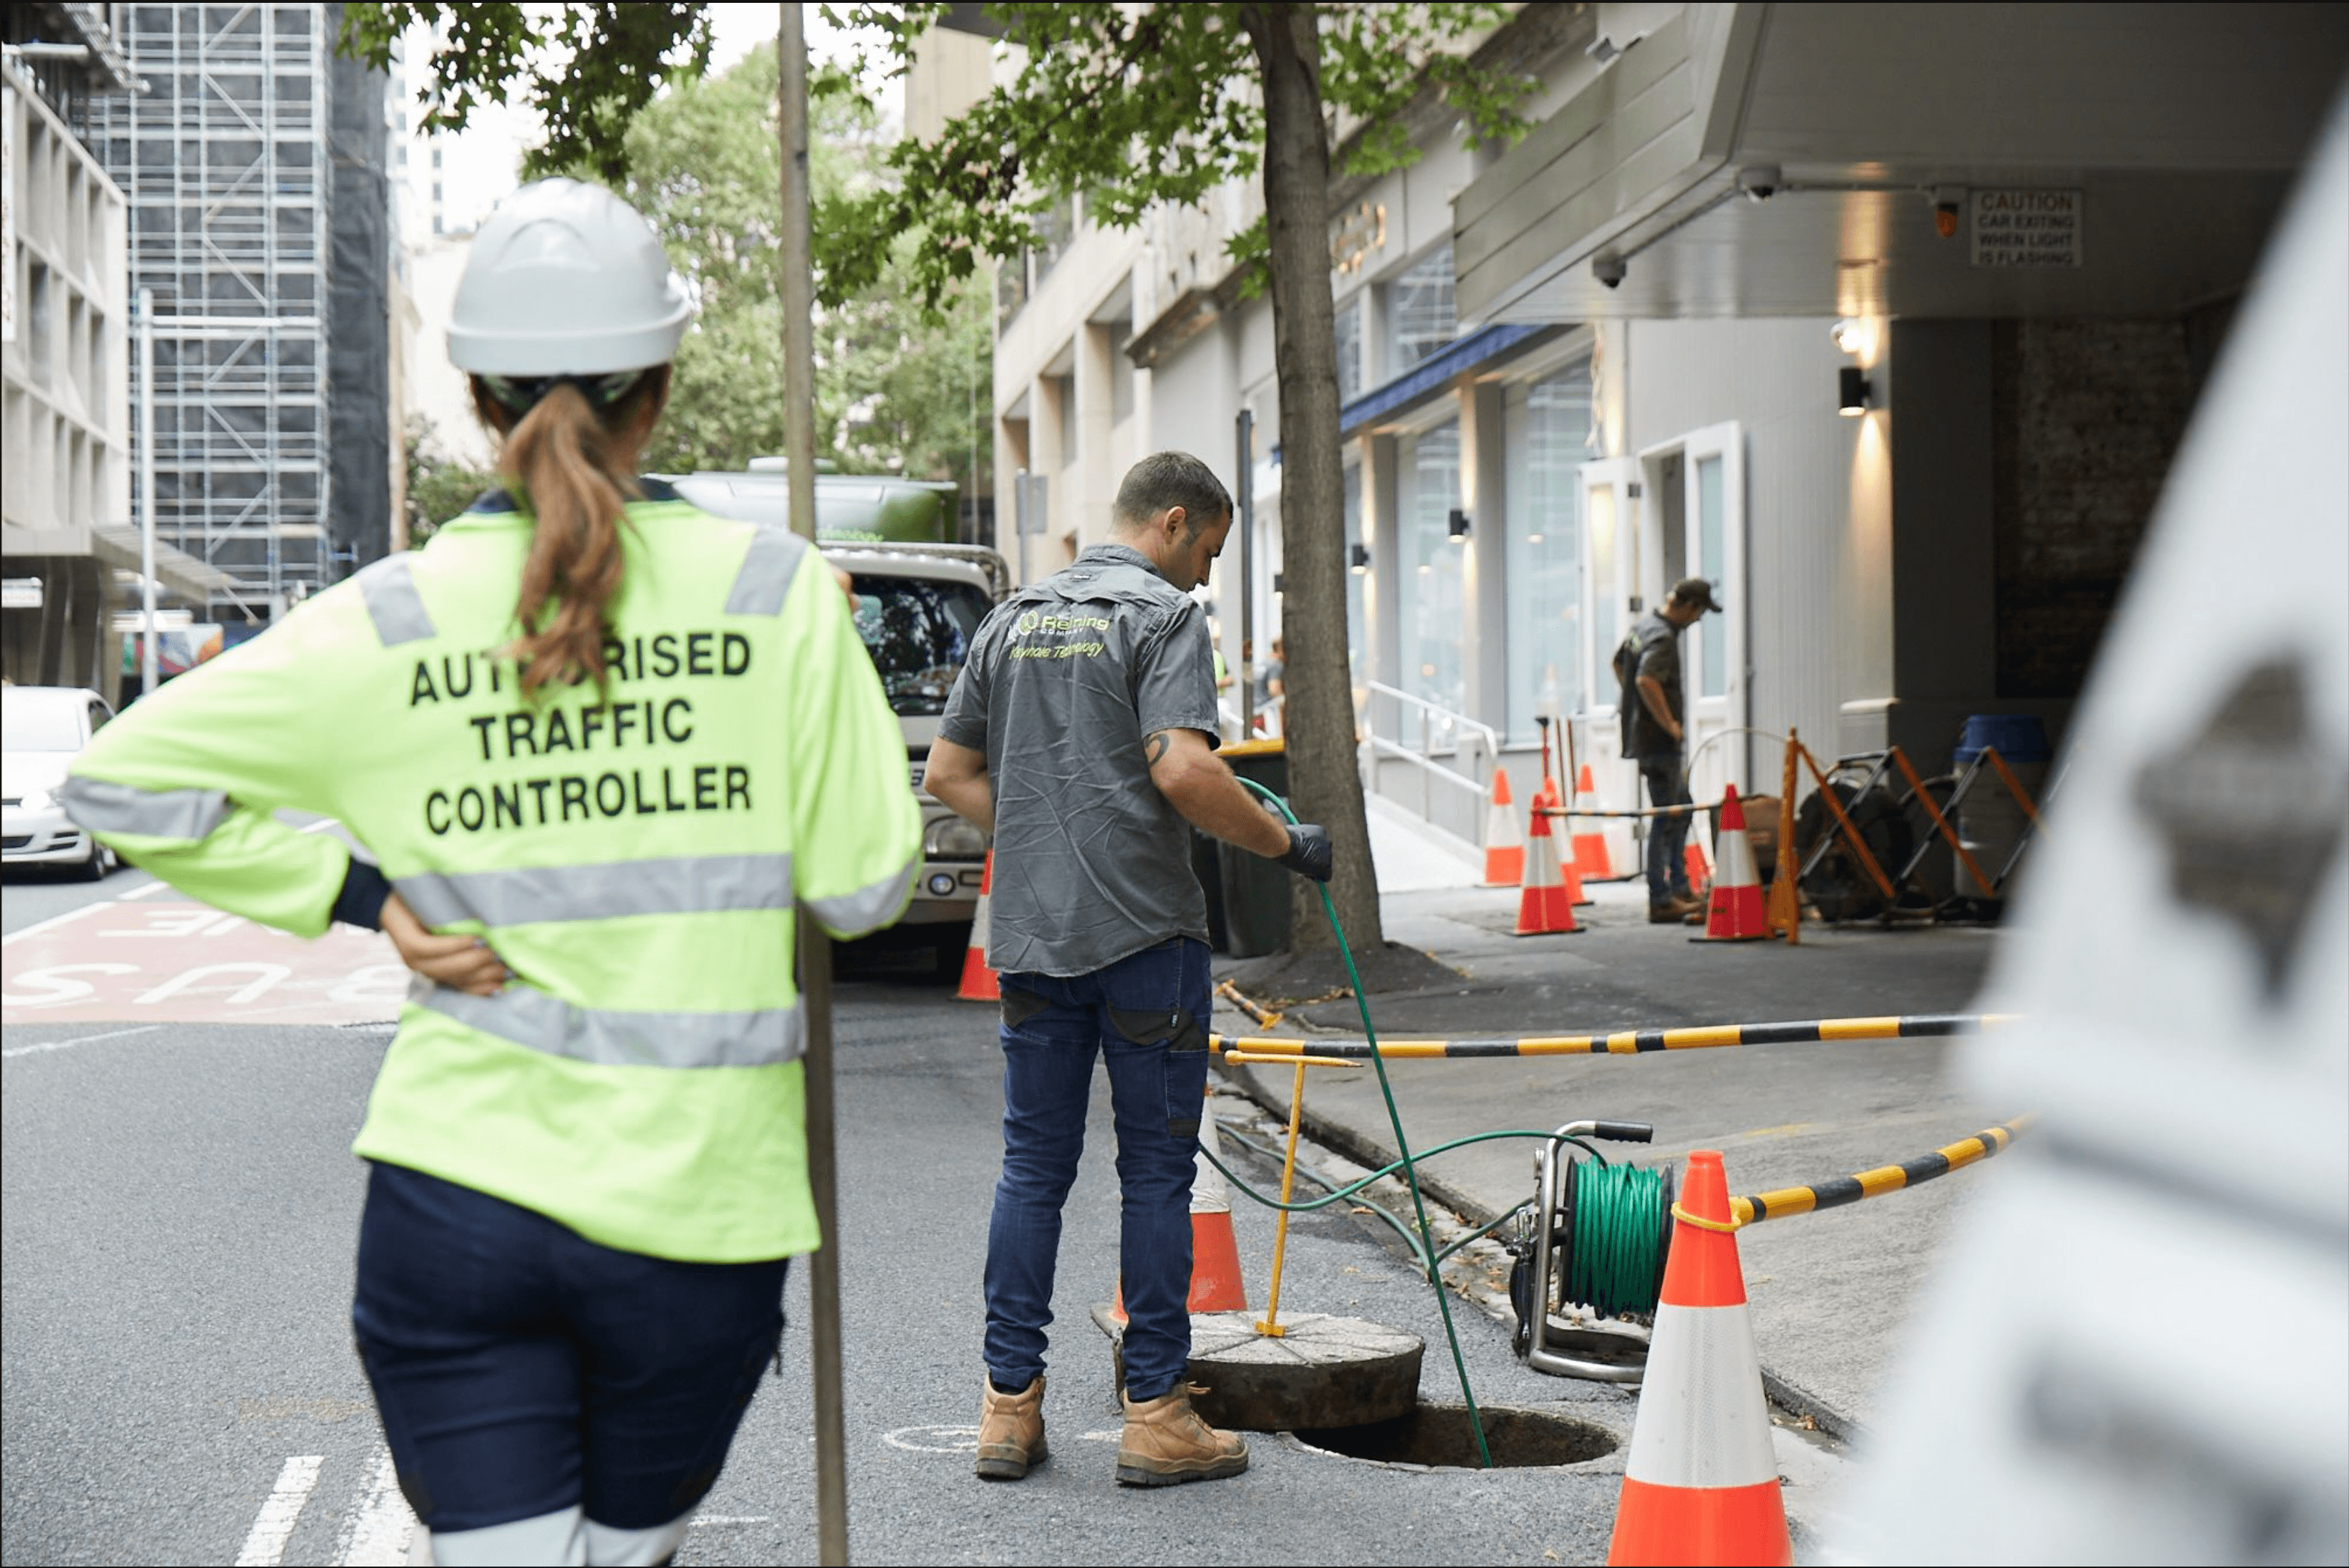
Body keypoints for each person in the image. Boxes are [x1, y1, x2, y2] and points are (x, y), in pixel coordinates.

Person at [59, 178, 920, 1567]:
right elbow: (866, 886)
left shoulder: (383, 618)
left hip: (455, 1209)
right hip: (694, 1224)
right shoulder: (776, 595)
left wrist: (362, 900)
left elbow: (115, 780)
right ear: (659, 392)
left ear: (473, 398)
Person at [922, 451, 1333, 1489]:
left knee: (1033, 1168)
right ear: (1176, 522)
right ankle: (1156, 1412)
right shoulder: (1160, 618)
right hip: (1146, 938)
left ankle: (1008, 1410)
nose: (1204, 579)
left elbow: (949, 773)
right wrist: (1286, 847)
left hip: (1032, 941)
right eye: (1208, 554)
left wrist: (1041, 837)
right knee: (1155, 1172)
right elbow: (1185, 768)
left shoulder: (1010, 620)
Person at [1618, 577, 1722, 924]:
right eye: (1699, 612)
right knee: (1667, 816)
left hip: (1643, 739)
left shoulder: (1643, 627)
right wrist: (1669, 724)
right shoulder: (1662, 636)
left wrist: (1637, 709)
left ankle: (1678, 889)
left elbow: (1619, 664)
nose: (1697, 620)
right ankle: (1661, 898)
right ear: (1689, 606)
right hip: (1659, 743)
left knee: (1681, 810)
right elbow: (1645, 680)